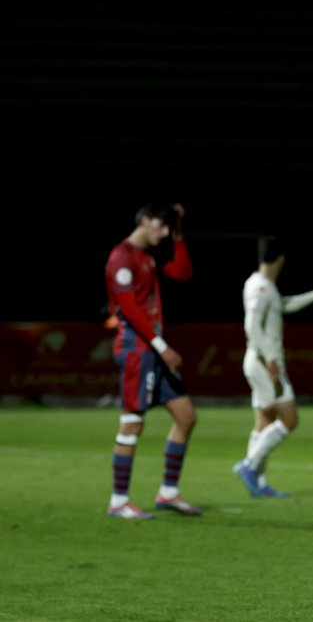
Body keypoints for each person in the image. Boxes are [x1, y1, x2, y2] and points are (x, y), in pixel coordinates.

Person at [104, 202, 201, 519]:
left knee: (186, 416)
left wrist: (178, 235)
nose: (162, 232)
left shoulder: (147, 258)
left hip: (153, 350)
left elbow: (184, 272)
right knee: (132, 421)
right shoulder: (122, 256)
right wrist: (162, 346)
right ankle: (119, 501)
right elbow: (129, 309)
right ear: (144, 220)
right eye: (160, 225)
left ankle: (168, 493)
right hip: (137, 350)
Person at [233, 236, 313, 499]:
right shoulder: (261, 289)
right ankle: (249, 467)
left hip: (258, 361)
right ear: (280, 259)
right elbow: (251, 325)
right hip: (265, 364)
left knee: (264, 421)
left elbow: (283, 305)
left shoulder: (260, 286)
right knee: (289, 419)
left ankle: (259, 482)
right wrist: (271, 360)